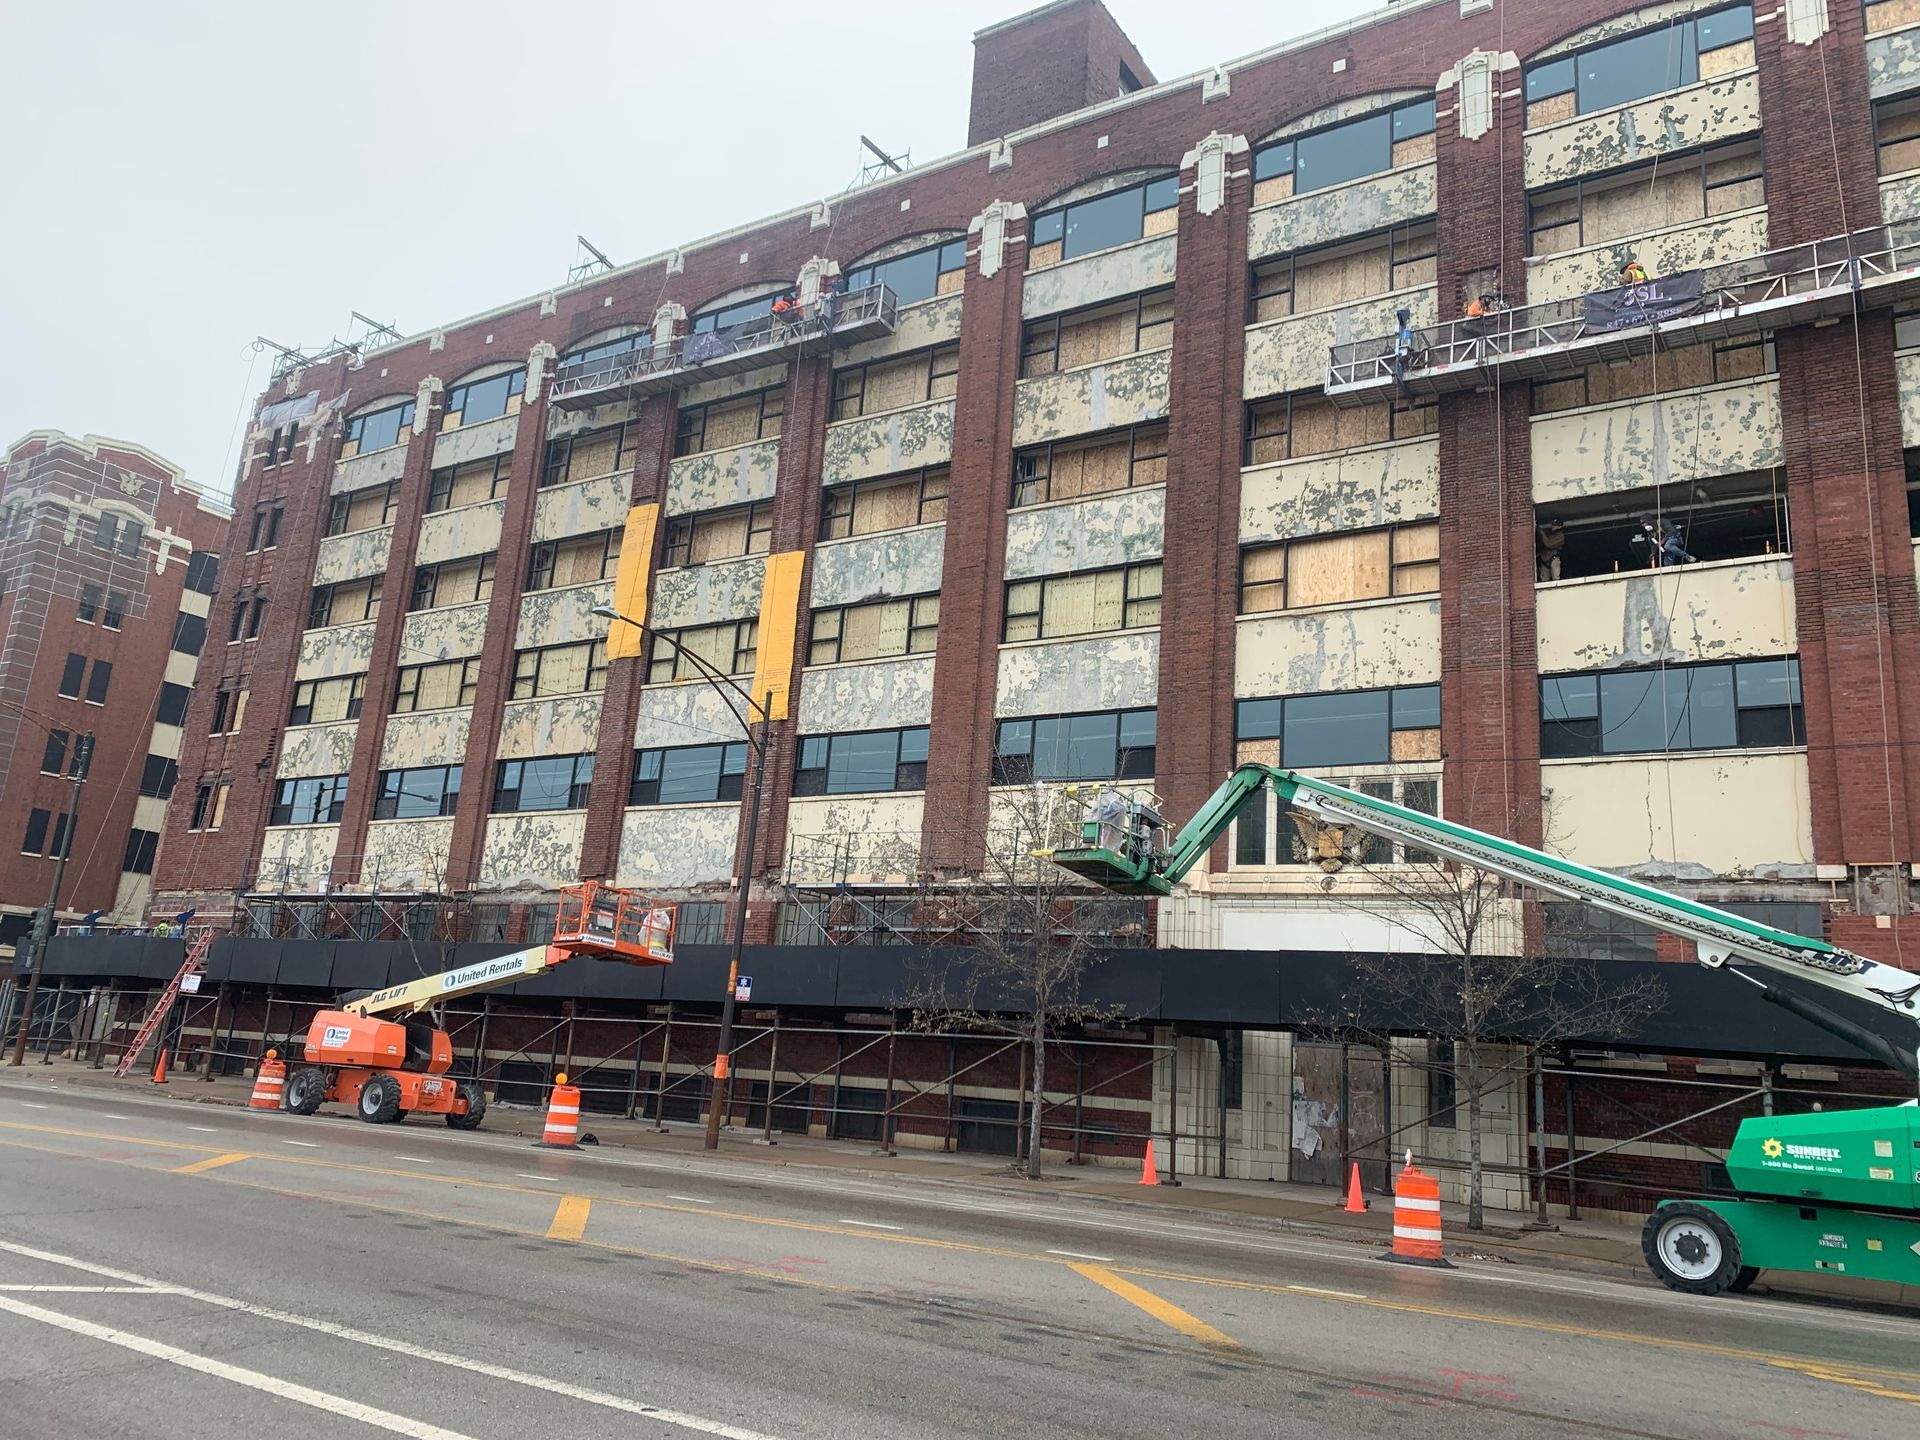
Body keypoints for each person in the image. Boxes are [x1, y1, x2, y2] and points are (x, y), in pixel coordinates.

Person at [1536, 517, 1566, 582]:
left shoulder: (1560, 536)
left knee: (1556, 580)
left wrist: (1542, 532)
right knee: (1544, 581)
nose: (1553, 526)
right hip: (1545, 560)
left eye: (1555, 525)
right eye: (1553, 524)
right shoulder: (1550, 534)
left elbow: (1549, 544)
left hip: (1553, 559)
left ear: (1560, 526)